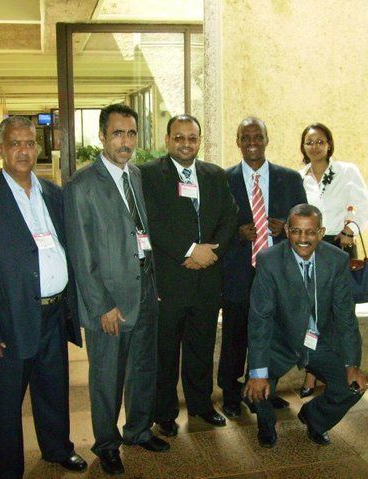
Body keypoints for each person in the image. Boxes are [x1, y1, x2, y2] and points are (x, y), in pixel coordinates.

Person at [0, 116, 87, 478]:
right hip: (9, 319)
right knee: (5, 401)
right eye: (15, 144)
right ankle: (7, 468)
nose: (24, 151)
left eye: (30, 143)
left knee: (53, 388)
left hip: (54, 314)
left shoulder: (53, 194)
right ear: (1, 149)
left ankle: (57, 448)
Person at [64, 104, 169, 476]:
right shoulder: (81, 186)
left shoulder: (136, 175)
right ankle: (107, 444)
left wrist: (153, 284)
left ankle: (138, 430)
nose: (126, 142)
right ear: (102, 137)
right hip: (109, 303)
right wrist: (101, 306)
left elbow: (142, 234)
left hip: (144, 291)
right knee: (107, 377)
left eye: (131, 133)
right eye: (118, 134)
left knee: (143, 368)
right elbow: (81, 255)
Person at [140, 114, 238, 436]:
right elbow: (150, 221)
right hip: (170, 280)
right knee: (165, 352)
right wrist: (189, 251)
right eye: (179, 137)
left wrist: (211, 253)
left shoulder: (214, 174)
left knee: (201, 347)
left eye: (192, 138)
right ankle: (165, 413)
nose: (185, 144)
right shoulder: (148, 174)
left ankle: (201, 405)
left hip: (207, 280)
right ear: (167, 140)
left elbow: (230, 217)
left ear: (199, 141)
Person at [244, 204, 368, 448]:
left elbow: (345, 316)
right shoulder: (269, 260)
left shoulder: (337, 260)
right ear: (287, 231)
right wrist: (257, 372)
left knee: (353, 387)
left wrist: (352, 365)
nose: (303, 238)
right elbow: (260, 318)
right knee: (256, 387)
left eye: (310, 232)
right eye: (296, 231)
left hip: (319, 341)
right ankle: (266, 425)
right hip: (280, 341)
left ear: (321, 233)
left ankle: (315, 418)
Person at [219, 116, 307, 418]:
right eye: (245, 137)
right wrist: (236, 233)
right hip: (238, 271)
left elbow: (303, 222)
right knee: (235, 336)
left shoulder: (290, 179)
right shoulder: (223, 179)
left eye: (258, 137)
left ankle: (263, 390)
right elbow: (214, 225)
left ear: (267, 140)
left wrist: (287, 229)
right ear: (238, 142)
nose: (252, 143)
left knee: (272, 334)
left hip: (277, 272)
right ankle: (231, 394)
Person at [298, 122, 368, 398]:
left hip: (339, 246)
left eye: (320, 141)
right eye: (309, 142)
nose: (315, 146)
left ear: (329, 144)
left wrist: (349, 230)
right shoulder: (299, 177)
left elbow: (364, 206)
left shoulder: (347, 171)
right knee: (312, 312)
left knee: (340, 313)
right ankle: (311, 373)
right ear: (303, 146)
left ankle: (346, 370)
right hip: (308, 248)